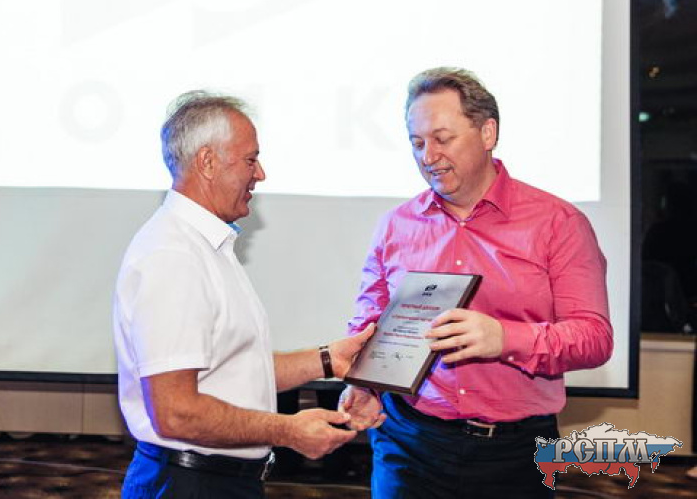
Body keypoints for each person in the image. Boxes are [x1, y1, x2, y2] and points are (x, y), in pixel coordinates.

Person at [339, 68, 613, 499]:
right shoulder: (395, 226)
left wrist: (505, 338)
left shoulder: (559, 223)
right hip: (409, 441)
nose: (428, 156)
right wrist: (366, 381)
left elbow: (594, 338)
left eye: (442, 139)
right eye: (417, 143)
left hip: (516, 452)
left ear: (488, 133)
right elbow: (369, 324)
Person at [113, 90, 376, 499]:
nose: (261, 174)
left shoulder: (203, 246)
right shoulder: (174, 256)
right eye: (250, 160)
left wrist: (328, 359)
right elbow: (175, 413)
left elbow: (233, 368)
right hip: (190, 485)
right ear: (207, 162)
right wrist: (288, 430)